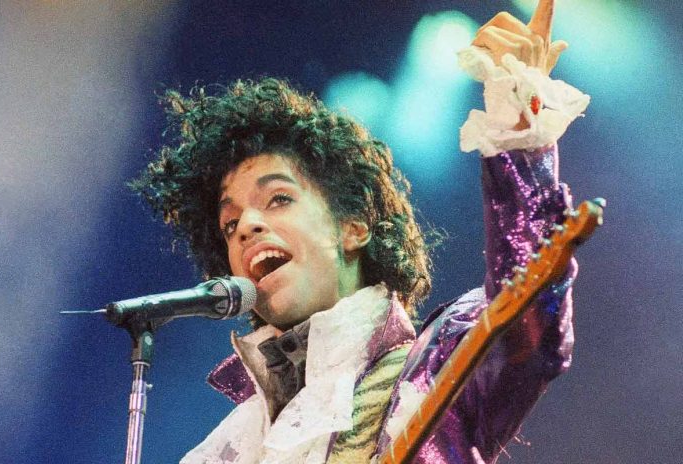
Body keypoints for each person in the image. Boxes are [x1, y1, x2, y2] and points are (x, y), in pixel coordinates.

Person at [131, 1, 590, 462]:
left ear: (354, 227)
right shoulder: (225, 448)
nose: (247, 226)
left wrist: (517, 121)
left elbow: (526, 321)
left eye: (278, 199)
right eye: (229, 225)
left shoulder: (432, 368)